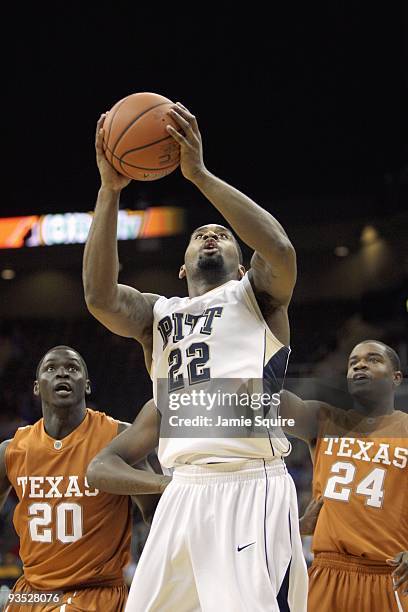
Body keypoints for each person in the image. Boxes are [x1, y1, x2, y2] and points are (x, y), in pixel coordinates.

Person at [83, 101, 308, 611]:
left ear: (237, 263)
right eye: (200, 234)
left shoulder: (258, 297)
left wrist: (200, 176)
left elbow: (280, 250)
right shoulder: (157, 315)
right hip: (182, 490)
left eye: (222, 235)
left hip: (249, 486)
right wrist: (109, 190)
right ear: (182, 269)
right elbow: (98, 297)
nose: (211, 234)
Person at [0, 345, 160, 612]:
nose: (62, 373)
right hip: (32, 593)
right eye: (51, 368)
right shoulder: (11, 450)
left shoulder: (119, 438)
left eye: (72, 368)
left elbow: (154, 510)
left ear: (86, 386)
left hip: (95, 593)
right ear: (37, 387)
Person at [279, 340, 408, 611]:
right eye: (353, 362)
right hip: (327, 571)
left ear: (396, 378)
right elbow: (269, 402)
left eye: (373, 359)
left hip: (388, 574)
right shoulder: (323, 419)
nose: (360, 364)